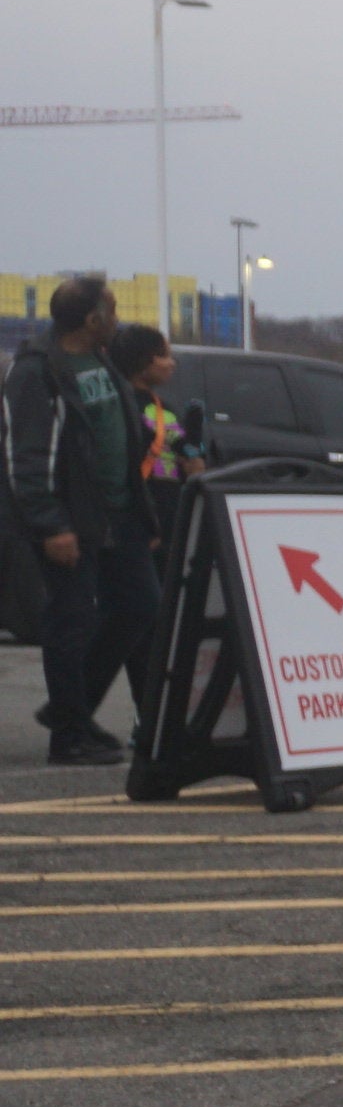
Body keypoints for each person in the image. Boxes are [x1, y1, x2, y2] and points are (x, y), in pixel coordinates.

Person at [5, 278, 160, 764]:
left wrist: (143, 512)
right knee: (71, 621)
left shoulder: (102, 358)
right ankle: (69, 736)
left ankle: (69, 711)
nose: (117, 320)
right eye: (111, 312)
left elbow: (121, 433)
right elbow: (27, 458)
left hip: (120, 513)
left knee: (140, 607)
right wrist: (51, 526)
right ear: (91, 320)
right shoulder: (38, 371)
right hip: (72, 519)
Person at [107, 321, 198, 560]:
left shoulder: (116, 404)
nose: (171, 363)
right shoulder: (156, 411)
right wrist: (194, 455)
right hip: (150, 515)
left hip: (142, 515)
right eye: (164, 356)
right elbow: (191, 456)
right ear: (144, 361)